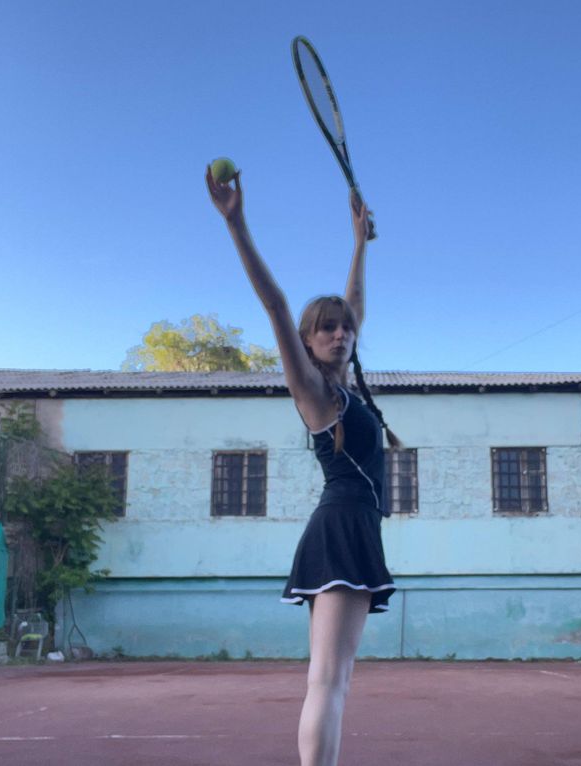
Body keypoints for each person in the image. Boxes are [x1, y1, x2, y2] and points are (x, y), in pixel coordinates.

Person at [206, 165, 397, 766]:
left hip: (355, 527)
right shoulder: (316, 394)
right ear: (308, 341)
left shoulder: (348, 391)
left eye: (344, 329)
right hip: (340, 527)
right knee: (327, 681)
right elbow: (275, 303)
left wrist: (359, 244)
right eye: (326, 329)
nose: (340, 334)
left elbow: (355, 304)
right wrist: (236, 222)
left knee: (335, 680)